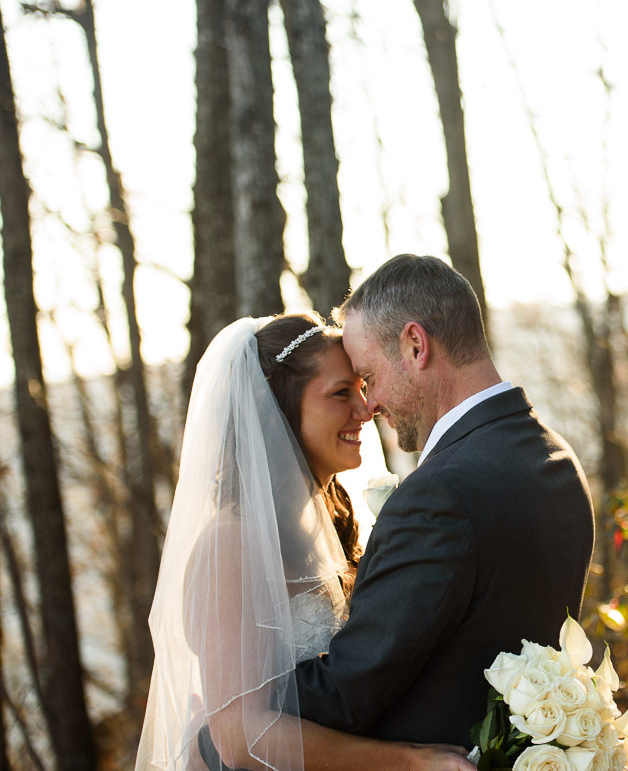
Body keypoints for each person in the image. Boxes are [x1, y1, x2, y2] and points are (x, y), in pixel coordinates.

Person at [135, 313, 473, 771]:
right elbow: (238, 737)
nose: (365, 408)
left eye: (361, 387)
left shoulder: (329, 521)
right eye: (340, 393)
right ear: (275, 412)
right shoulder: (233, 543)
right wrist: (409, 761)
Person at [294, 254, 596, 746]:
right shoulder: (557, 458)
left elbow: (344, 696)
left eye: (370, 377)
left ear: (415, 345)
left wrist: (236, 707)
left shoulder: (438, 497)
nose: (368, 407)